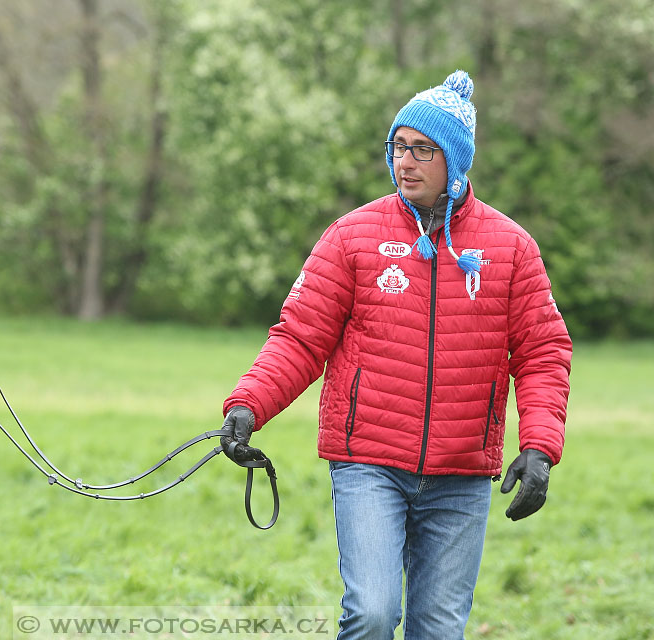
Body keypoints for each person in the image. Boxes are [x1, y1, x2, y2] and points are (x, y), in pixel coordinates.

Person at [220, 70, 572, 639]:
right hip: (368, 464)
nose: (405, 162)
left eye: (421, 150)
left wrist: (539, 447)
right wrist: (248, 406)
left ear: (454, 160)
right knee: (373, 613)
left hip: (461, 471)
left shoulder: (511, 248)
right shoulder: (351, 237)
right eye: (398, 147)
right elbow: (300, 337)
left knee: (437, 628)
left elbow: (543, 353)